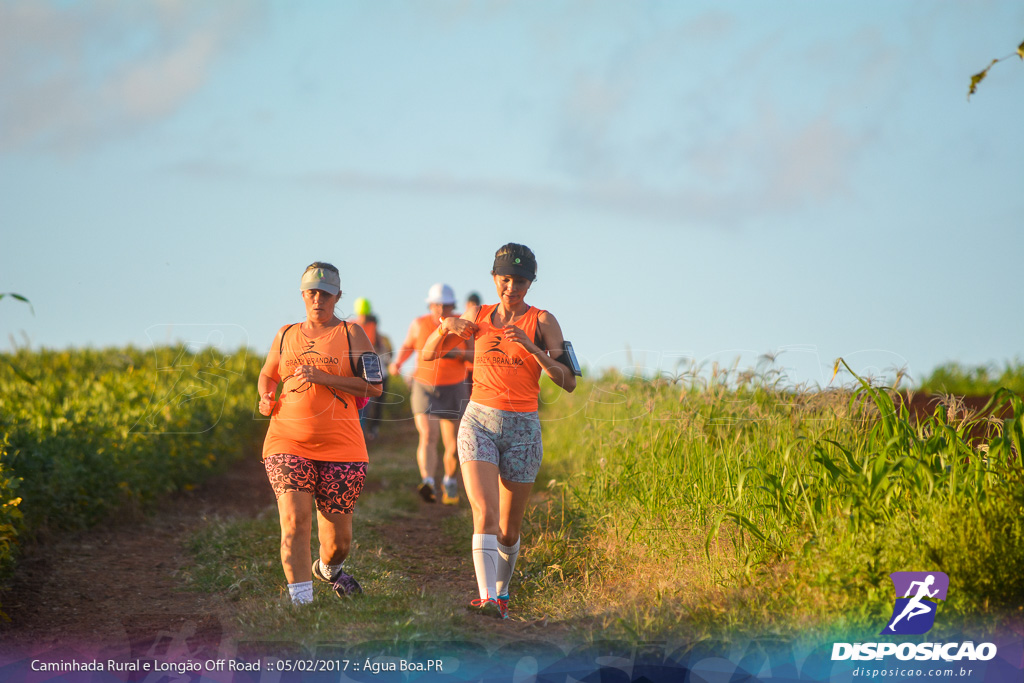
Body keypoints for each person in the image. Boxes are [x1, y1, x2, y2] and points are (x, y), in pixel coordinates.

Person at [421, 244, 577, 619]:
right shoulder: (479, 315)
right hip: (478, 422)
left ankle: (503, 593)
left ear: (530, 283)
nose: (511, 287)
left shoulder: (543, 322)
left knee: (508, 530)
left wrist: (534, 350)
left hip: (523, 427)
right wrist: (445, 326)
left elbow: (568, 381)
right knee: (485, 513)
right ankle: (487, 597)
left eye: (520, 281)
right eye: (505, 279)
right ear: (494, 278)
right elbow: (428, 354)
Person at [257, 262, 383, 605]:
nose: (318, 299)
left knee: (338, 543)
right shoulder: (284, 334)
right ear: (302, 295)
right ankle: (302, 605)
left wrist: (325, 378)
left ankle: (328, 570)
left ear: (337, 296)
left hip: (342, 447)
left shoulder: (352, 334)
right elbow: (268, 375)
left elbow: (375, 386)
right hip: (287, 440)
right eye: (312, 292)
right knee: (295, 521)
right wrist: (265, 396)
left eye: (325, 294)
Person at [388, 283, 470, 505]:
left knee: (453, 445)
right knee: (427, 435)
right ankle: (428, 482)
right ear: (430, 305)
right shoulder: (419, 324)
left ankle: (450, 482)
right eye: (437, 305)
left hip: (454, 386)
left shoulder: (463, 325)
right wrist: (398, 363)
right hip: (424, 385)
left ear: (453, 306)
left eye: (446, 306)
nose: (441, 310)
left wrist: (459, 354)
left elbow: (475, 353)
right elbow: (407, 346)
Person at [351, 298, 393, 441]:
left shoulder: (377, 334)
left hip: (378, 373)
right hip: (362, 373)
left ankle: (370, 431)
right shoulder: (352, 326)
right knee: (363, 405)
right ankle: (360, 433)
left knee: (375, 405)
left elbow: (387, 352)